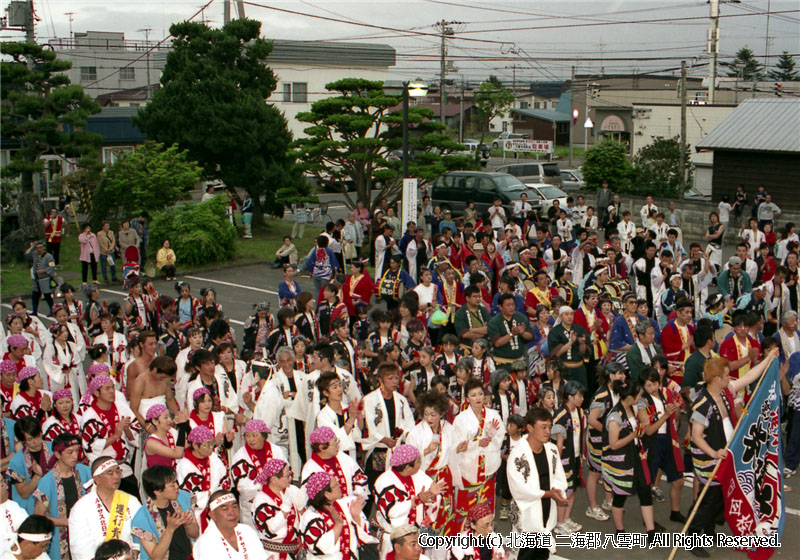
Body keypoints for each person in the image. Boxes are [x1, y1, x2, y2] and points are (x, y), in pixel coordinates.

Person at [686, 351, 778, 557]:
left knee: (718, 497)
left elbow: (748, 377)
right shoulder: (703, 404)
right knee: (710, 498)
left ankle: (708, 532)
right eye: (727, 375)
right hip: (710, 458)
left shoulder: (725, 391)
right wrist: (713, 452)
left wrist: (768, 359)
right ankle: (692, 535)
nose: (731, 378)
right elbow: (696, 436)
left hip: (725, 454)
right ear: (717, 379)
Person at [506, 407, 568, 560]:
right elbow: (519, 488)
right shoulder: (518, 454)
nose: (548, 431)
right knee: (526, 554)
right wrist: (547, 494)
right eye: (543, 427)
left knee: (542, 554)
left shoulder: (552, 450)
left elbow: (559, 477)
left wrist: (558, 492)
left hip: (547, 508)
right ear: (530, 428)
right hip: (527, 510)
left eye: (549, 427)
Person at [452, 378, 505, 533]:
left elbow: (500, 437)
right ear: (467, 398)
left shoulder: (493, 415)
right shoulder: (460, 419)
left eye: (480, 394)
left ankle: (486, 540)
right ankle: (464, 544)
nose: (478, 398)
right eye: (473, 395)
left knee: (486, 507)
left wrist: (490, 441)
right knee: (466, 508)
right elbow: (456, 445)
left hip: (487, 469)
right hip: (468, 470)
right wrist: (475, 444)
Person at [374, 444, 442, 557]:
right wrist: (417, 501)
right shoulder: (384, 481)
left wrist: (432, 495)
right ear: (407, 468)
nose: (421, 464)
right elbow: (392, 511)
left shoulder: (417, 474)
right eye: (418, 462)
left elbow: (429, 493)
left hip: (415, 536)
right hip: (396, 538)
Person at [68, 457, 143, 560]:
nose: (116, 476)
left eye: (118, 471)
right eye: (110, 473)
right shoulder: (82, 508)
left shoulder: (131, 501)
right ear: (97, 479)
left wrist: (133, 554)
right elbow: (80, 549)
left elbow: (142, 534)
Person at [32, 433, 91, 560]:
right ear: (58, 454)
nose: (75, 456)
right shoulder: (47, 481)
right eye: (70, 452)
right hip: (59, 540)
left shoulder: (85, 472)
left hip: (85, 534)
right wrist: (67, 522)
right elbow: (38, 516)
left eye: (77, 451)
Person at [298, 472, 377, 560]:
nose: (339, 485)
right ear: (327, 494)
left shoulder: (345, 504)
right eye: (335, 485)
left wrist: (356, 517)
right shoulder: (310, 516)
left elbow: (364, 536)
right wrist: (338, 525)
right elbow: (318, 549)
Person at [193, 490, 267, 560]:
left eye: (234, 507)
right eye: (225, 509)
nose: (232, 513)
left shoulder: (247, 531)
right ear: (212, 515)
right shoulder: (205, 543)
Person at [251, 459, 301, 558]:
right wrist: (285, 509)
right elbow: (270, 529)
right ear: (274, 479)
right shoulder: (261, 500)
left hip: (291, 552)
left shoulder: (287, 492)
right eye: (287, 475)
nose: (290, 478)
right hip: (272, 553)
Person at [24, 242, 56, 317]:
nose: (39, 249)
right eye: (37, 248)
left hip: (44, 278)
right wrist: (31, 247)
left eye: (41, 247)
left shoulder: (48, 256)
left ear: (44, 247)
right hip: (36, 279)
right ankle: (34, 310)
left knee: (47, 295)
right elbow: (27, 254)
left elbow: (52, 266)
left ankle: (52, 310)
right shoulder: (35, 254)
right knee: (35, 295)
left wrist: (44, 270)